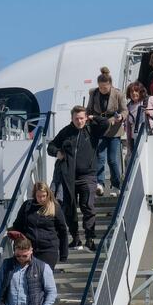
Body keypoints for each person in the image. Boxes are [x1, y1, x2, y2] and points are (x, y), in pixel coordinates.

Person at [48, 105, 104, 251]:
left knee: (88, 207)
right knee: (69, 209)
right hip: (69, 177)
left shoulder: (92, 130)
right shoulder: (66, 132)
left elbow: (105, 123)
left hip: (87, 176)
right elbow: (51, 146)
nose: (79, 121)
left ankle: (90, 239)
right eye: (76, 118)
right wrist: (58, 152)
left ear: (86, 117)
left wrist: (93, 117)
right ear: (72, 119)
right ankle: (76, 239)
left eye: (82, 118)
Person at [86, 66, 128, 196]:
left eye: (105, 88)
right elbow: (89, 109)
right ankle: (100, 183)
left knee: (112, 160)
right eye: (100, 87)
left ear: (110, 85)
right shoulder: (93, 93)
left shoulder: (118, 94)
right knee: (100, 157)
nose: (102, 90)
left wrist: (121, 116)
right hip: (99, 128)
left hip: (114, 129)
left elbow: (124, 110)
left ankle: (116, 185)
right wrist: (87, 117)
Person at [8, 181, 68, 270]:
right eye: (39, 196)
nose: (41, 199)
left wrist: (64, 254)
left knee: (44, 277)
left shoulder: (54, 207)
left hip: (48, 250)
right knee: (30, 278)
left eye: (44, 196)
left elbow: (63, 231)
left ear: (48, 194)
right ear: (34, 195)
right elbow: (18, 225)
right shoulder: (27, 206)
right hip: (29, 250)